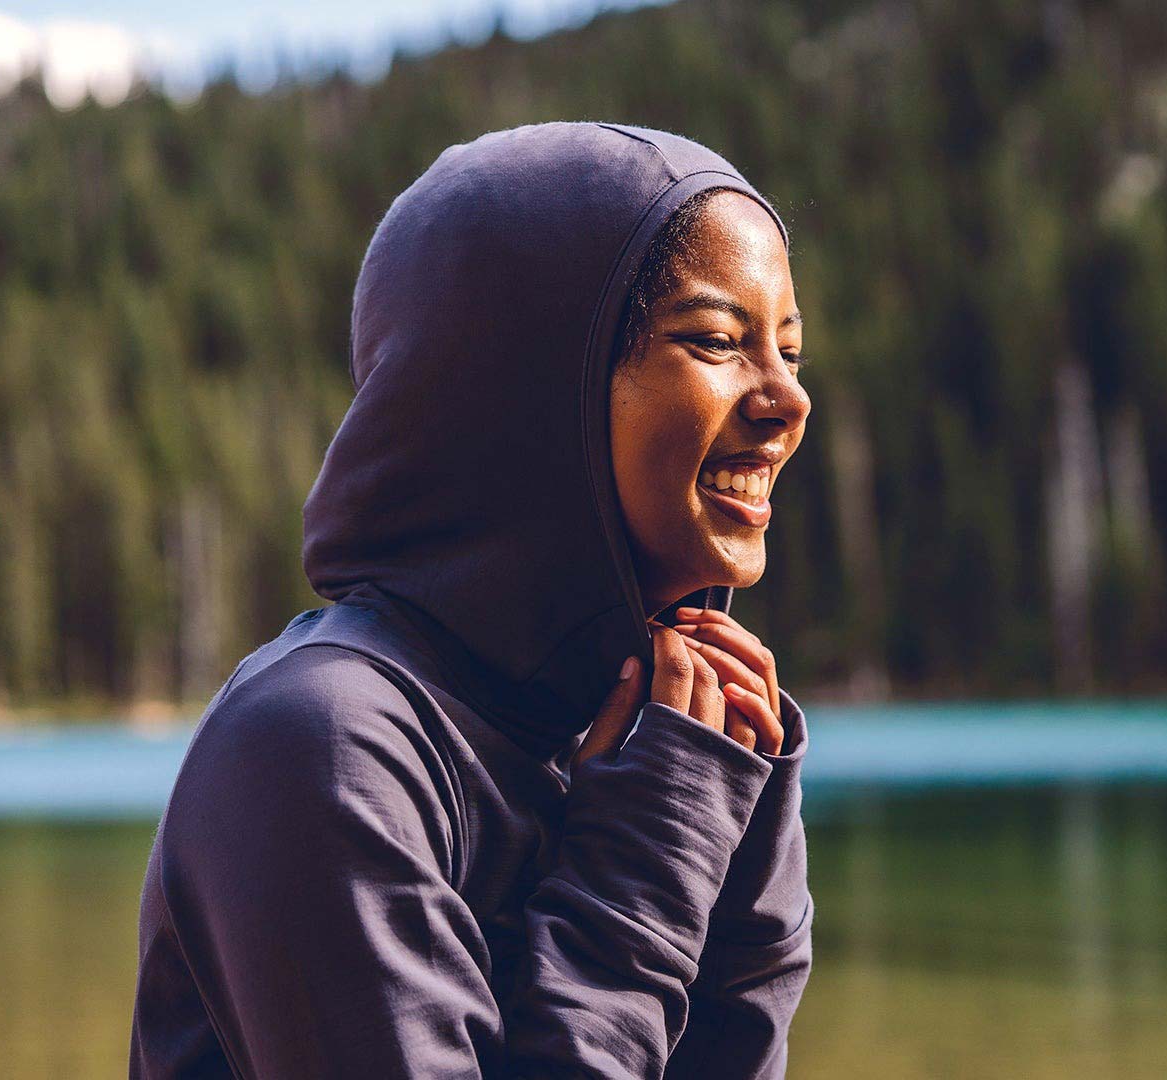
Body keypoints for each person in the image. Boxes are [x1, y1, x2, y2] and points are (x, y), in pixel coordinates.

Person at [129, 121, 815, 1079]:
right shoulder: (321, 745)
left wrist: (725, 829)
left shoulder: (667, 735)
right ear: (531, 384)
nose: (788, 400)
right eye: (716, 340)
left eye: (789, 352)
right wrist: (648, 875)